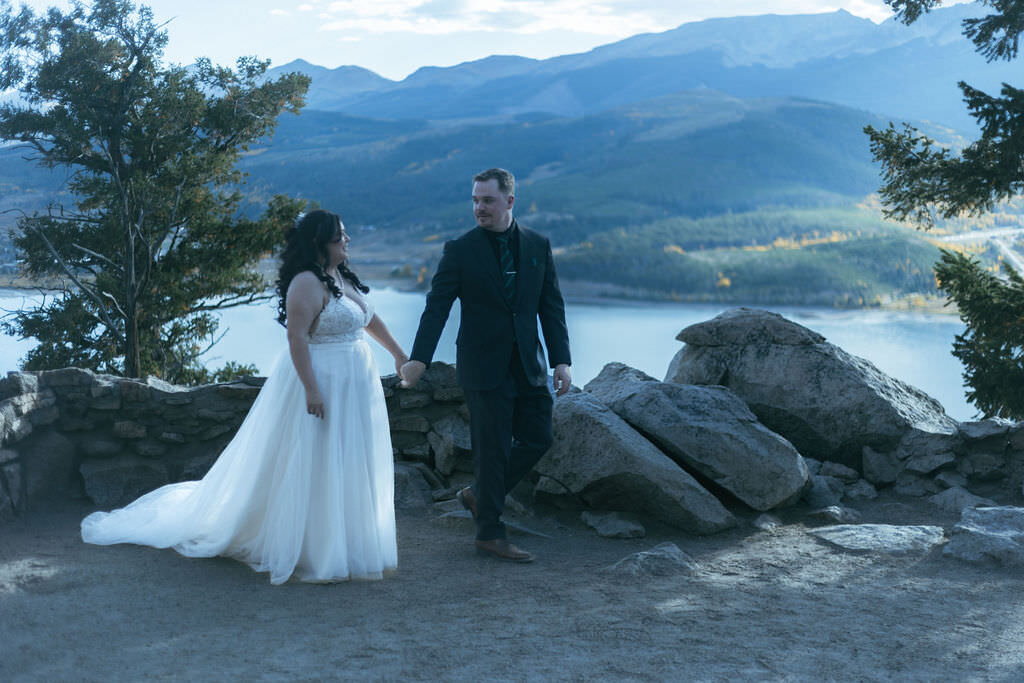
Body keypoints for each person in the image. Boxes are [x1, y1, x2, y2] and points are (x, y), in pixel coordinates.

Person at [81, 209, 404, 584]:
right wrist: (312, 389)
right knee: (318, 458)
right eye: (339, 237)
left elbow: (368, 318)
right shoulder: (305, 283)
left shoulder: (341, 277)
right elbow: (297, 338)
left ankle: (349, 539)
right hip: (323, 379)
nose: (346, 241)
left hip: (355, 382)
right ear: (319, 244)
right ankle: (316, 547)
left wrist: (398, 354)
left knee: (348, 457)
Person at [401, 167, 571, 563]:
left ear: (509, 201)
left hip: (529, 364)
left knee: (539, 437)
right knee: (492, 450)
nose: (480, 207)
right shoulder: (459, 250)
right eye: (475, 200)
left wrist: (562, 360)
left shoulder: (537, 245)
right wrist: (419, 359)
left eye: (488, 200)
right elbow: (437, 307)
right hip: (482, 365)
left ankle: (479, 495)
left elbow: (552, 307)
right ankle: (490, 534)